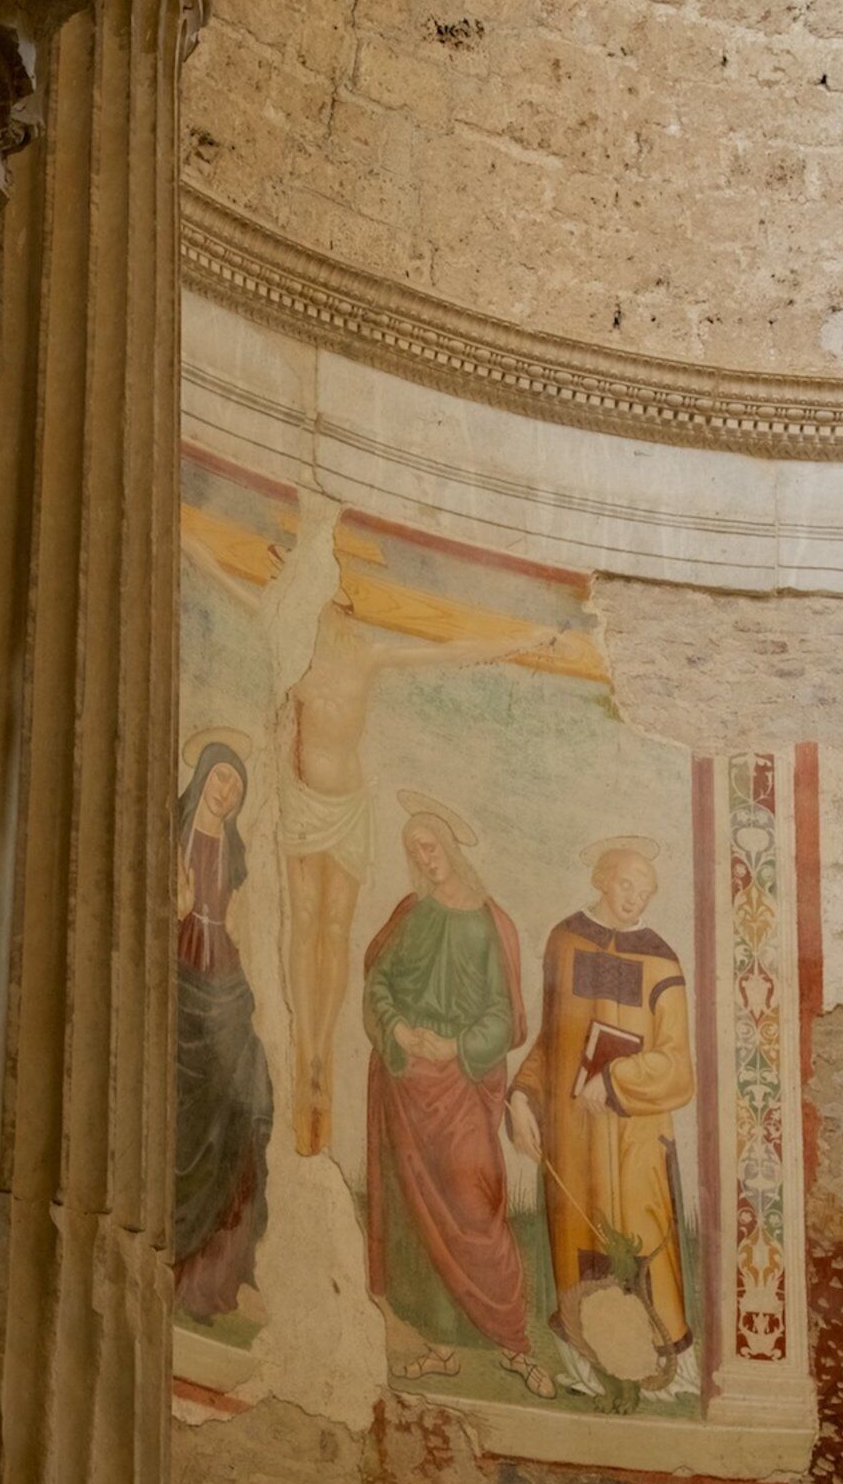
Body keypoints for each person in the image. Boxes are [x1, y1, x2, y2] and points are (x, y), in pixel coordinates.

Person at [185, 487, 556, 1158]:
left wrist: (526, 637)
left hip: (348, 805)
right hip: (299, 800)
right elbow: (217, 575)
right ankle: (310, 1051)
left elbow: (445, 651)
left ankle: (323, 1037)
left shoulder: (367, 653)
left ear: (342, 596)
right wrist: (176, 529)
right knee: (302, 922)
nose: (314, 594)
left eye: (324, 584)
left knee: (333, 926)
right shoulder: (285, 632)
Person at [360, 796, 570, 1396]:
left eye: (432, 845)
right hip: (405, 1080)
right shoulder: (410, 913)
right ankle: (439, 1346)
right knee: (411, 1211)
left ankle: (513, 1342)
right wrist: (399, 1030)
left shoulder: (488, 921)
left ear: (451, 847)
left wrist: (453, 1049)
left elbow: (504, 1017)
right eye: (414, 850)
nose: (425, 858)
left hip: (459, 1082)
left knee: (474, 1203)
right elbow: (379, 981)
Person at [515, 838, 696, 1400]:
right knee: (578, 1244)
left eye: (645, 891)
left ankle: (660, 1368)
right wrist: (521, 1096)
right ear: (601, 878)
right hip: (573, 1134)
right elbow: (554, 1036)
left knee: (641, 1244)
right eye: (625, 884)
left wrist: (614, 1081)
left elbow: (677, 1065)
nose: (634, 898)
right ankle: (588, 1365)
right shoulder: (566, 941)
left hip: (635, 1136)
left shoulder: (661, 959)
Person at [172, 734, 272, 1327]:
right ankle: (176, 1258)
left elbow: (246, 919)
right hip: (183, 965)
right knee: (188, 1120)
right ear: (203, 776)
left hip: (226, 977)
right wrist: (180, 908)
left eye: (236, 782)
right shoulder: (175, 835)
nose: (226, 788)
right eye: (219, 776)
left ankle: (221, 1271)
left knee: (248, 1102)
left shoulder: (239, 854)